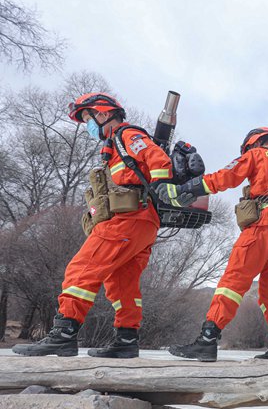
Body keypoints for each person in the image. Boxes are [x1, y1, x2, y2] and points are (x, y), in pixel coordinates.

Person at [12, 93, 173, 358]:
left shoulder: (127, 134)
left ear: (103, 113)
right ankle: (126, 340)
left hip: (129, 219)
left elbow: (158, 160)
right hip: (144, 222)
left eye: (88, 118)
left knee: (82, 269)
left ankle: (64, 333)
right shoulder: (115, 144)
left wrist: (160, 186)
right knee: (122, 283)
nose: (87, 125)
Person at [159, 127, 268, 362]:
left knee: (232, 283)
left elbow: (224, 178)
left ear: (253, 144)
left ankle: (207, 340)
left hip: (262, 228)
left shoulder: (256, 155)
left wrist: (186, 188)